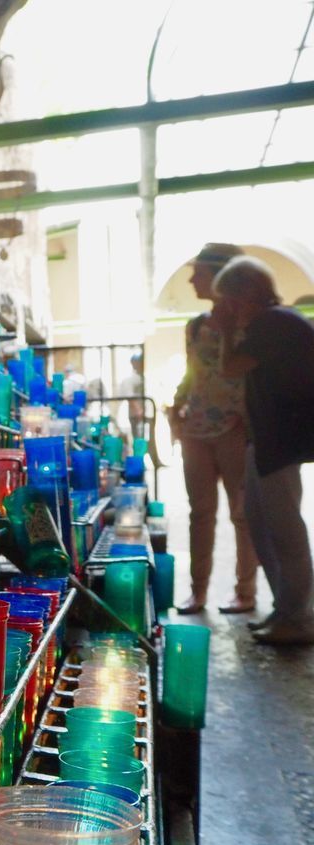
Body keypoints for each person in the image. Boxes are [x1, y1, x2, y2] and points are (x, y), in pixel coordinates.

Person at [216, 257, 314, 644]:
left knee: (283, 529)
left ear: (246, 294)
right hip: (269, 439)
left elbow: (230, 367)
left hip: (281, 438)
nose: (225, 309)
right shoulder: (274, 323)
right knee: (261, 521)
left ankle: (299, 616)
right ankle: (286, 610)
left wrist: (225, 331)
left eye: (228, 300)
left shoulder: (273, 322)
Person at [169, 243, 257, 615]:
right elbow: (194, 373)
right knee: (199, 512)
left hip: (234, 428)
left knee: (242, 514)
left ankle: (245, 593)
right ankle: (198, 590)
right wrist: (177, 404)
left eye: (198, 272)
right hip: (196, 430)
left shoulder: (247, 324)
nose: (191, 279)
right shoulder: (195, 325)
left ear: (220, 276)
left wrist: (246, 416)